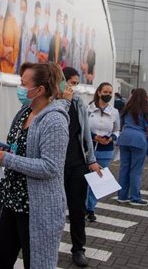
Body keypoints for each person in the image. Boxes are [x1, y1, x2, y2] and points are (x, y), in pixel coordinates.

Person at [0, 62, 70, 269]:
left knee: (37, 263)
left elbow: (50, 167)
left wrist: (8, 160)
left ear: (40, 89)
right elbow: (19, 148)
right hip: (12, 200)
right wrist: (4, 151)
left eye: (24, 84)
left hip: (37, 207)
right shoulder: (24, 112)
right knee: (1, 259)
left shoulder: (54, 121)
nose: (20, 88)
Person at [62, 67, 102, 267]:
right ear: (61, 81)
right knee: (53, 209)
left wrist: (92, 160)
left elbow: (86, 134)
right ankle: (42, 245)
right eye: (71, 82)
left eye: (76, 83)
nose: (74, 87)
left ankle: (78, 249)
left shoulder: (79, 103)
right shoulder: (52, 103)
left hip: (77, 163)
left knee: (78, 210)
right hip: (55, 165)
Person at [85, 82, 120, 221]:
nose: (108, 95)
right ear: (99, 92)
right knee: (84, 180)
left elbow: (117, 129)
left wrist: (112, 138)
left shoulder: (114, 112)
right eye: (105, 92)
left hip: (106, 150)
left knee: (97, 180)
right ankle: (80, 208)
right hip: (88, 149)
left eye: (110, 93)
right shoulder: (88, 109)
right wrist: (94, 137)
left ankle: (91, 209)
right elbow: (82, 129)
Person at [116, 88, 148, 205]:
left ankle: (122, 196)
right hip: (139, 140)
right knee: (136, 170)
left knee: (124, 168)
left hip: (124, 138)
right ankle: (135, 197)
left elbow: (121, 125)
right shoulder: (146, 110)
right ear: (145, 97)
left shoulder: (126, 108)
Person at [0, 0, 20, 73]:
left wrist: (4, 51)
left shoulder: (15, 26)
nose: (12, 2)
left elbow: (14, 56)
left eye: (14, 0)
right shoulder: (1, 22)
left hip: (10, 74)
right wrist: (10, 49)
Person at [16, 0, 30, 71]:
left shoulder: (27, 31)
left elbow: (26, 54)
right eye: (21, 8)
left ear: (26, 10)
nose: (22, 11)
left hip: (22, 68)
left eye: (24, 8)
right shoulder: (15, 26)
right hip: (12, 67)